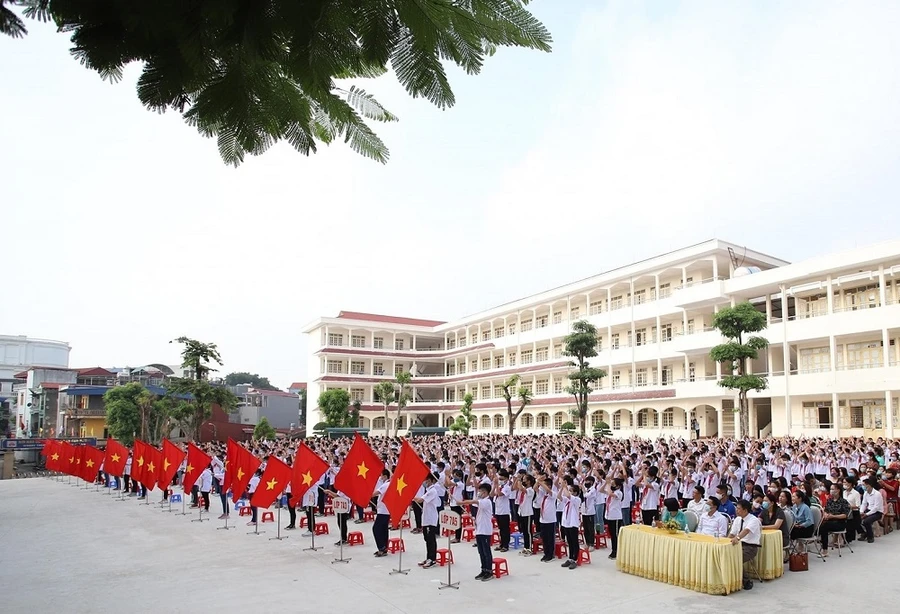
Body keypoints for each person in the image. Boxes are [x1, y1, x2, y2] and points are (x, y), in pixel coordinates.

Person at [458, 483, 495, 581]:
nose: (479, 493)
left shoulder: (487, 501)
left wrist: (462, 503)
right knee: (481, 552)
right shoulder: (482, 501)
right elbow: (475, 504)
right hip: (479, 530)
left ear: (485, 492)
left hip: (485, 530)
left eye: (481, 491)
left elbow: (474, 501)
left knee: (486, 552)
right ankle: (483, 570)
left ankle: (489, 571)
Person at [729, 500, 762, 591]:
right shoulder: (737, 519)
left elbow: (746, 531)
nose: (736, 511)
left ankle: (746, 580)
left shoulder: (754, 520)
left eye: (739, 509)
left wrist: (738, 538)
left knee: (736, 559)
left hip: (750, 547)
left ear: (745, 510)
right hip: (738, 545)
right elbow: (732, 534)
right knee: (726, 556)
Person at [413, 472, 440, 568]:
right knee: (427, 539)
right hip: (426, 518)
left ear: (432, 481)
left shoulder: (432, 491)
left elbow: (420, 500)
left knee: (430, 539)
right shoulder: (428, 490)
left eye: (428, 480)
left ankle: (432, 559)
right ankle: (429, 557)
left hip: (431, 518)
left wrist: (410, 496)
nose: (426, 482)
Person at [557, 478, 582, 570]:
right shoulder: (567, 500)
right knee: (569, 542)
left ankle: (575, 559)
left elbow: (568, 495)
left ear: (575, 493)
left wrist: (564, 487)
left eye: (571, 491)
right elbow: (559, 496)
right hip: (566, 523)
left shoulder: (577, 499)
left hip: (573, 523)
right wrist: (561, 488)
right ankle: (570, 558)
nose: (569, 492)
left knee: (574, 541)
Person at [819, 483, 850, 557]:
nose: (831, 491)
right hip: (829, 521)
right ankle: (824, 547)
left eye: (833, 489)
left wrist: (833, 516)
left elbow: (845, 515)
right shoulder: (830, 500)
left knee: (824, 527)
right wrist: (825, 514)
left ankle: (825, 550)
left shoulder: (843, 501)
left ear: (838, 490)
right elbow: (826, 510)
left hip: (840, 522)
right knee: (821, 525)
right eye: (830, 489)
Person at [536, 473, 557, 563]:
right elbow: (535, 488)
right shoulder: (542, 494)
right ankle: (546, 553)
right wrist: (538, 481)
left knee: (550, 538)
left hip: (551, 519)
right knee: (544, 538)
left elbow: (548, 490)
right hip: (543, 519)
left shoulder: (553, 494)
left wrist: (541, 482)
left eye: (544, 484)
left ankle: (551, 554)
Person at [604, 476, 624, 560]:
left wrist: (608, 483)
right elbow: (601, 490)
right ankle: (613, 550)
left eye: (613, 484)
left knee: (615, 535)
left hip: (616, 517)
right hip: (609, 516)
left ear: (618, 486)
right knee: (612, 534)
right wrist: (606, 483)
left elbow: (610, 494)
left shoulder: (619, 493)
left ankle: (616, 551)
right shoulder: (611, 490)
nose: (611, 485)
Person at [858, 477, 884, 543]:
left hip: (877, 512)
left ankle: (870, 536)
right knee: (855, 519)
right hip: (868, 510)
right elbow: (864, 503)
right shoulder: (866, 493)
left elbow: (876, 507)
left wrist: (866, 514)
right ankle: (864, 533)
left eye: (864, 485)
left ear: (869, 485)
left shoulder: (877, 494)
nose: (862, 486)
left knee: (866, 521)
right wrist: (861, 512)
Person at [372, 469, 391, 557]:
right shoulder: (388, 484)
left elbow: (375, 493)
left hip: (383, 511)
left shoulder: (386, 485)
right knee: (384, 529)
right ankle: (384, 548)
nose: (380, 477)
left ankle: (381, 547)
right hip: (384, 509)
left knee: (376, 529)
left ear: (385, 476)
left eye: (381, 475)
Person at [493, 470, 512, 552]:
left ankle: (505, 545)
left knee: (505, 529)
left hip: (504, 511)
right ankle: (501, 544)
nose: (500, 480)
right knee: (500, 529)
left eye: (502, 478)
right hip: (498, 510)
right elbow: (492, 494)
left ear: (506, 479)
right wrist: (495, 485)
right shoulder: (500, 487)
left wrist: (497, 485)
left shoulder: (507, 488)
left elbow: (500, 494)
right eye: (499, 478)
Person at [843, 477, 861, 543]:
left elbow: (858, 506)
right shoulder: (843, 492)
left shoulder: (856, 493)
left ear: (850, 483)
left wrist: (849, 506)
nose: (844, 484)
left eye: (846, 482)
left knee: (850, 526)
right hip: (845, 511)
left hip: (854, 512)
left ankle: (848, 539)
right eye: (843, 482)